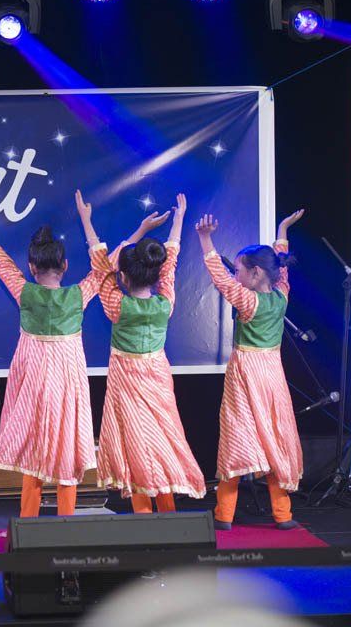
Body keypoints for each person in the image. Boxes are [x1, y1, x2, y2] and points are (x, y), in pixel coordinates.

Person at [0, 214, 98, 519]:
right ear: (65, 266)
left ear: (31, 267)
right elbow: (105, 267)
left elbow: (2, 263)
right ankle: (65, 526)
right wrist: (92, 223)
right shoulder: (79, 294)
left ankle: (28, 524)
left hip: (35, 384)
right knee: (64, 448)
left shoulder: (25, 291)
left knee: (35, 448)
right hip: (66, 385)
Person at [79, 190, 206, 512]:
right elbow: (170, 263)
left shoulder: (116, 304)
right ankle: (167, 514)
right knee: (161, 437)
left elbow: (100, 268)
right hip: (157, 374)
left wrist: (88, 222)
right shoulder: (166, 303)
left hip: (128, 380)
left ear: (123, 276)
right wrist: (178, 221)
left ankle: (145, 516)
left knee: (135, 442)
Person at [196, 210, 304, 530]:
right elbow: (281, 267)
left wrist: (205, 239)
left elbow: (218, 275)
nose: (236, 274)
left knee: (235, 439)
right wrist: (282, 231)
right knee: (274, 438)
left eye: (241, 270)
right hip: (272, 372)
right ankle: (283, 515)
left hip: (245, 372)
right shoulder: (281, 295)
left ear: (256, 273)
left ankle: (224, 516)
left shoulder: (247, 300)